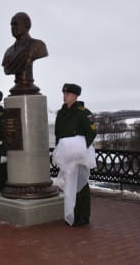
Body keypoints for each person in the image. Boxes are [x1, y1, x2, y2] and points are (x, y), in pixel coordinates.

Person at [53, 83, 97, 227]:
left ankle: (83, 215)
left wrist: (80, 148)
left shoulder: (84, 112)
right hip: (67, 154)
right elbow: (58, 134)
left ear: (75, 96)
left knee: (81, 185)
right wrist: (60, 149)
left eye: (68, 94)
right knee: (69, 184)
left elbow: (91, 132)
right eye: (64, 94)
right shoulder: (61, 113)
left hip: (79, 154)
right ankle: (71, 213)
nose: (65, 96)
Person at [1, 12, 48, 95]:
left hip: (29, 88)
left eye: (16, 24)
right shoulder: (8, 52)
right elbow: (6, 69)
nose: (13, 27)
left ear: (27, 25)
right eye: (11, 25)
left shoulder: (38, 45)